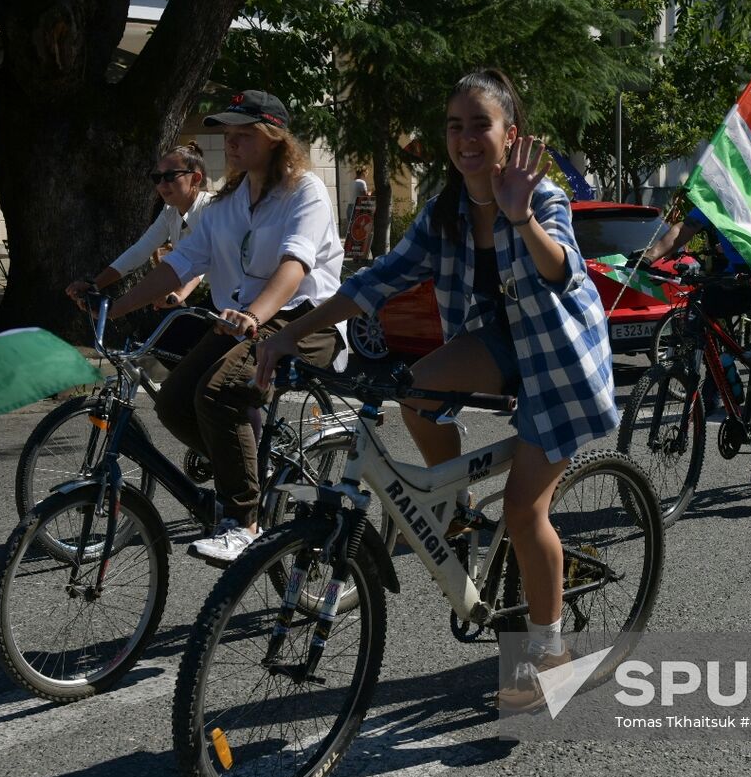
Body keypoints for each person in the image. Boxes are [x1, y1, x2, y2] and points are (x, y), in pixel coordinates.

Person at [255, 69, 618, 710]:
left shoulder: (541, 198)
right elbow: (374, 281)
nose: (465, 138)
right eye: (455, 125)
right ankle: (449, 506)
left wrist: (521, 216)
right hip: (502, 347)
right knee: (413, 388)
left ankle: (551, 650)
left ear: (511, 134)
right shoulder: (445, 214)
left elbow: (562, 271)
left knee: (524, 509)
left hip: (560, 364)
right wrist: (290, 332)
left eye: (480, 123)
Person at [106, 90, 345, 562]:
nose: (231, 142)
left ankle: (243, 519)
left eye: (244, 133)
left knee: (219, 392)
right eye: (228, 133)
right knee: (175, 403)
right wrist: (115, 306)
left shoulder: (305, 192)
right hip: (244, 320)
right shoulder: (227, 203)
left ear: (275, 137)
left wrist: (255, 315)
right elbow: (180, 263)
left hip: (304, 318)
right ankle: (250, 468)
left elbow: (295, 263)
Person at [642, 199, 751, 489]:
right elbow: (683, 229)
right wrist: (648, 257)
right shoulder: (720, 193)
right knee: (699, 312)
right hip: (739, 279)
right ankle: (718, 380)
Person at [65, 144, 237, 358]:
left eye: (170, 176)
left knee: (186, 351)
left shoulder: (211, 208)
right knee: (163, 345)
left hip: (239, 299)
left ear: (195, 178)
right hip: (219, 295)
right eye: (157, 177)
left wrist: (179, 293)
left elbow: (200, 260)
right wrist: (95, 284)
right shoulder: (169, 212)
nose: (162, 184)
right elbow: (139, 251)